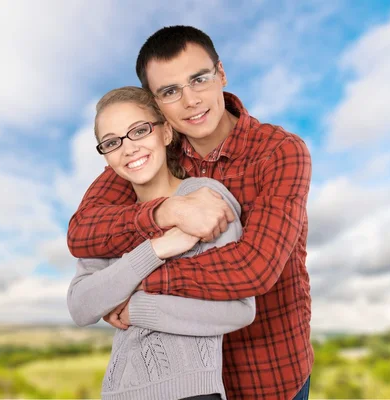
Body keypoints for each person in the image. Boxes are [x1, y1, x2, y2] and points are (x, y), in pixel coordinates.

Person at [68, 26, 313, 399]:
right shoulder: (146, 149)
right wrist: (165, 212)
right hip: (174, 383)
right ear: (156, 105)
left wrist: (131, 291)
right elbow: (82, 231)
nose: (191, 100)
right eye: (170, 91)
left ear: (222, 74)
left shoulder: (278, 152)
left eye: (199, 79)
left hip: (266, 374)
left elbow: (254, 268)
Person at [67, 86, 256, 400]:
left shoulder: (204, 200)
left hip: (193, 393)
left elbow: (238, 310)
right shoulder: (109, 222)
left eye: (139, 131)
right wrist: (157, 249)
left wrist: (136, 308)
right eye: (112, 142)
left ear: (166, 132)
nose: (128, 149)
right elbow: (80, 305)